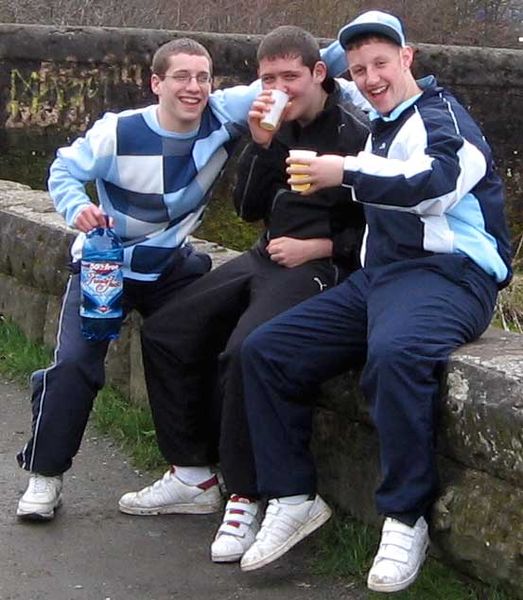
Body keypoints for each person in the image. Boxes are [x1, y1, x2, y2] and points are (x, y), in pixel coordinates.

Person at [15, 34, 361, 521]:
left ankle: (196, 475)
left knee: (187, 336)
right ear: (156, 82)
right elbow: (63, 170)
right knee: (74, 365)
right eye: (180, 76)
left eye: (202, 76)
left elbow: (306, 67)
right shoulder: (118, 132)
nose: (193, 87)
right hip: (106, 266)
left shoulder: (225, 111)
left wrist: (379, 63)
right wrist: (79, 208)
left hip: (171, 266)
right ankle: (44, 477)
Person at [237, 10, 512, 593]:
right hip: (383, 276)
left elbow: (435, 184)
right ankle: (291, 497)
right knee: (266, 350)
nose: (369, 77)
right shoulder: (383, 121)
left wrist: (345, 171)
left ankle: (404, 515)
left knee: (396, 355)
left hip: (450, 276)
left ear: (408, 58)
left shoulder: (443, 119)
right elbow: (300, 86)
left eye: (380, 63)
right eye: (359, 69)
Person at [118, 26, 369, 566]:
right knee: (168, 328)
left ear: (318, 74)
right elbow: (249, 209)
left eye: (290, 77)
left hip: (319, 265)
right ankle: (192, 474)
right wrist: (259, 145)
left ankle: (245, 493)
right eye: (268, 78)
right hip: (263, 254)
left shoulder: (353, 130)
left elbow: (381, 222)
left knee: (243, 349)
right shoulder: (270, 126)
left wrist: (324, 244)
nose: (279, 87)